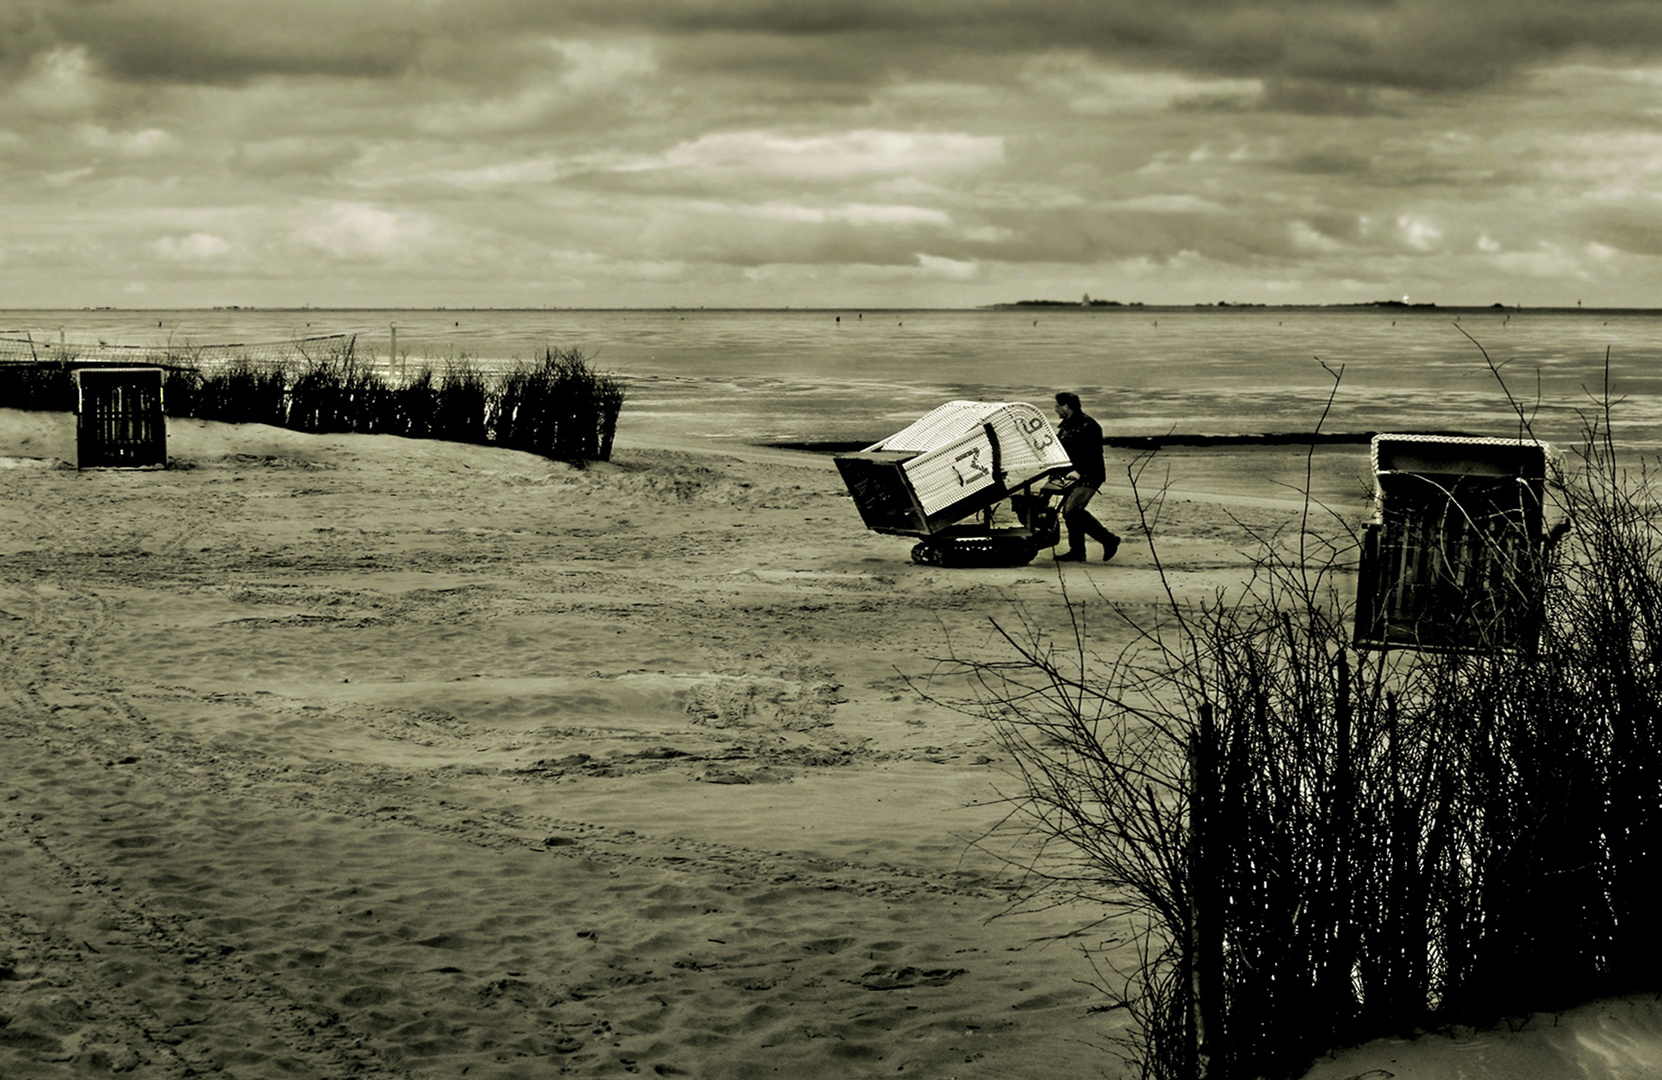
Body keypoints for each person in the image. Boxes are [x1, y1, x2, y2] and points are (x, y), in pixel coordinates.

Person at [1051, 391, 1122, 563]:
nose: (1055, 409)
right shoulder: (1066, 426)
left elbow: (1093, 454)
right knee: (1069, 513)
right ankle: (1077, 552)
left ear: (1066, 406)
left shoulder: (1089, 426)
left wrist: (1080, 472)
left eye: (1057, 405)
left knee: (1073, 510)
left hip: (1090, 475)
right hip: (1070, 476)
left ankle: (1109, 539)